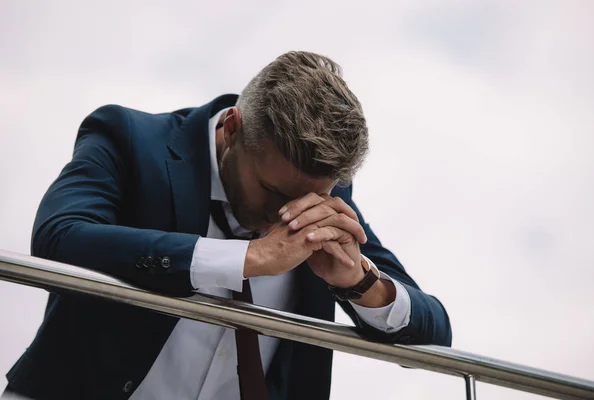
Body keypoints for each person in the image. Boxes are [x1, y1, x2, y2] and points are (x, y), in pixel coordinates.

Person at [4, 51, 452, 400]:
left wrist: (358, 283)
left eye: (311, 197)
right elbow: (58, 239)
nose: (289, 216)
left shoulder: (324, 201)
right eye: (273, 193)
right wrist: (247, 259)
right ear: (234, 128)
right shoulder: (127, 137)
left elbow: (435, 330)